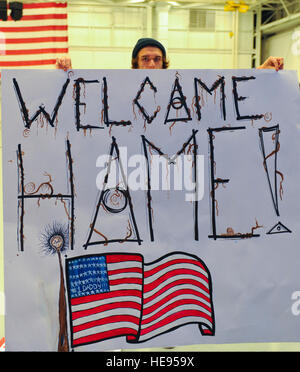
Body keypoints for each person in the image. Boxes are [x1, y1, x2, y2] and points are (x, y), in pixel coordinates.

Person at [56, 37, 284, 71]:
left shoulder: (182, 91)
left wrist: (262, 72)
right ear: (135, 63)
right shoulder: (117, 90)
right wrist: (64, 74)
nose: (152, 63)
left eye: (157, 59)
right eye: (145, 59)